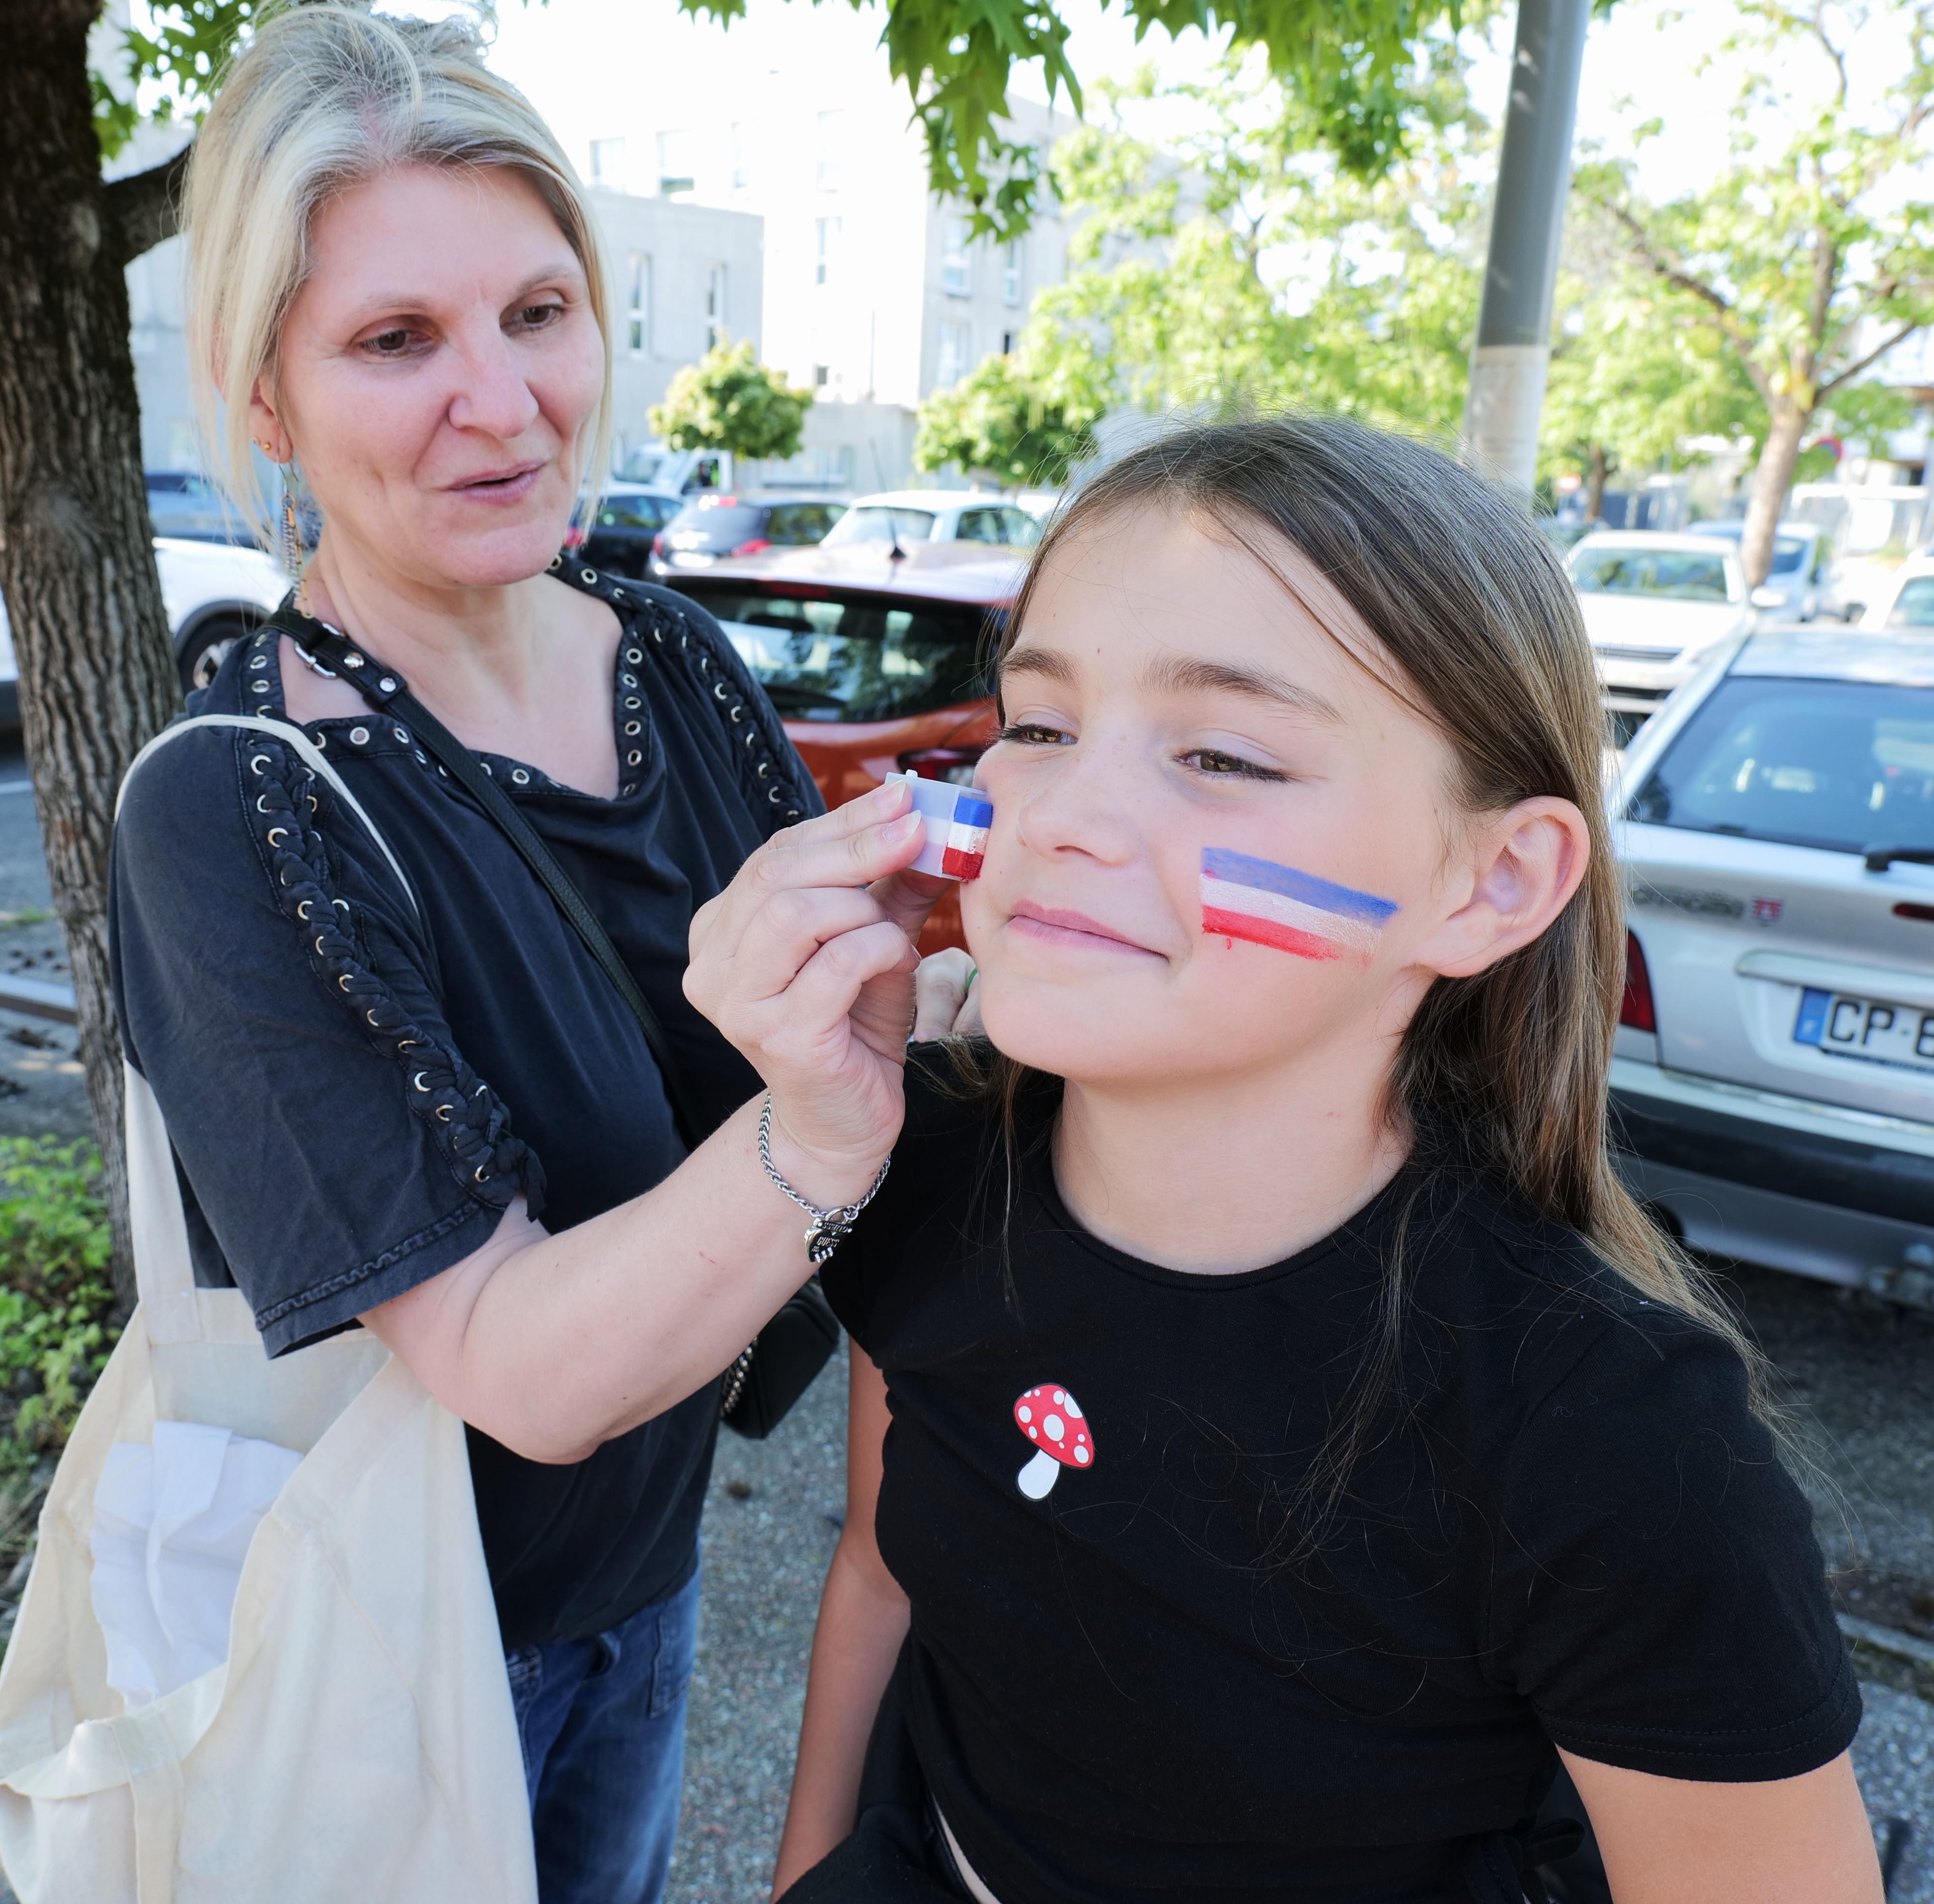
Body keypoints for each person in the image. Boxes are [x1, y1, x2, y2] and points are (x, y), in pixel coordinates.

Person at [694, 417, 1884, 1903]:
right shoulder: (926, 1157)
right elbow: (882, 1572)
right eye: (1042, 725)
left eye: (1223, 754)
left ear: (1492, 881)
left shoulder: (1621, 1448)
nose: (1061, 815)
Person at [108, 10, 966, 1901]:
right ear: (266, 397)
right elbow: (510, 1361)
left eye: (540, 311)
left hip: (643, 1589)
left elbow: (821, 1045)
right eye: (395, 341)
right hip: (384, 1651)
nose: (499, 399)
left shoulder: (671, 661)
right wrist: (829, 1131)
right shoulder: (239, 805)